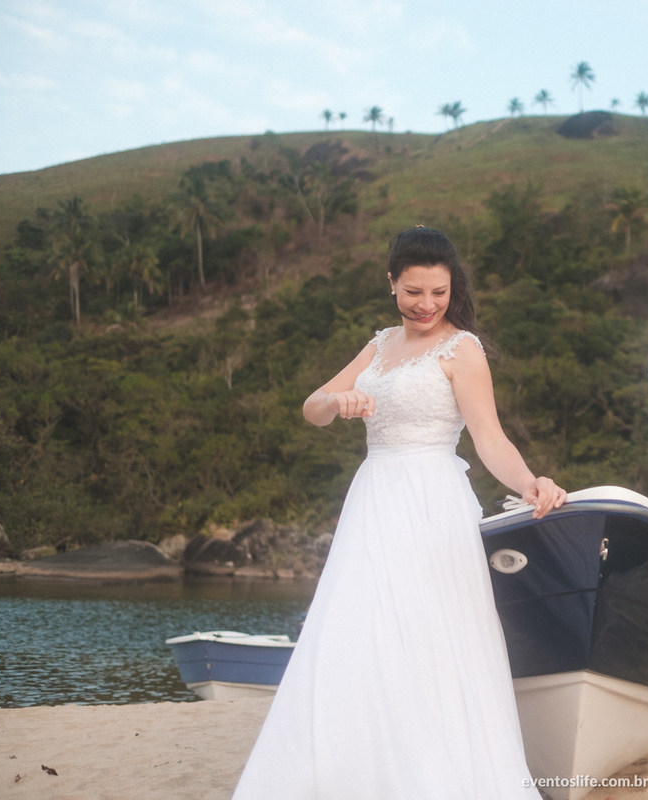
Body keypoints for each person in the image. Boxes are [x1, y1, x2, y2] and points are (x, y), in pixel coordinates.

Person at [232, 226, 565, 799]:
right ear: (391, 283)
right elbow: (311, 407)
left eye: (439, 292)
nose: (427, 304)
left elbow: (489, 438)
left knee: (430, 631)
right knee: (357, 626)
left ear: (452, 288)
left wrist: (530, 481)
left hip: (432, 500)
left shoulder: (462, 349)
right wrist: (336, 401)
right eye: (414, 292)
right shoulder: (381, 343)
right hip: (373, 498)